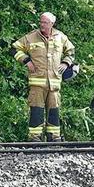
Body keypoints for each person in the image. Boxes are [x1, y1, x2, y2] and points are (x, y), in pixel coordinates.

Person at [13, 12, 76, 142]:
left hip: (54, 83)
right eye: (41, 22)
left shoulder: (60, 37)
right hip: (37, 82)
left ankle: (54, 137)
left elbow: (71, 52)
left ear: (52, 24)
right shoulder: (31, 37)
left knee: (54, 110)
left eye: (45, 22)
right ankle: (34, 138)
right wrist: (26, 60)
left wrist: (66, 63)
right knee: (36, 110)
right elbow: (14, 48)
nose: (42, 24)